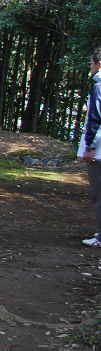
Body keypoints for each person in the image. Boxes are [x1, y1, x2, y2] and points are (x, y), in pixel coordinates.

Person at [81, 48, 101, 247]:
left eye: (91, 63)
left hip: (100, 151)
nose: (90, 66)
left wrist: (89, 146)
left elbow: (95, 120)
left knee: (99, 194)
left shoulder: (99, 87)